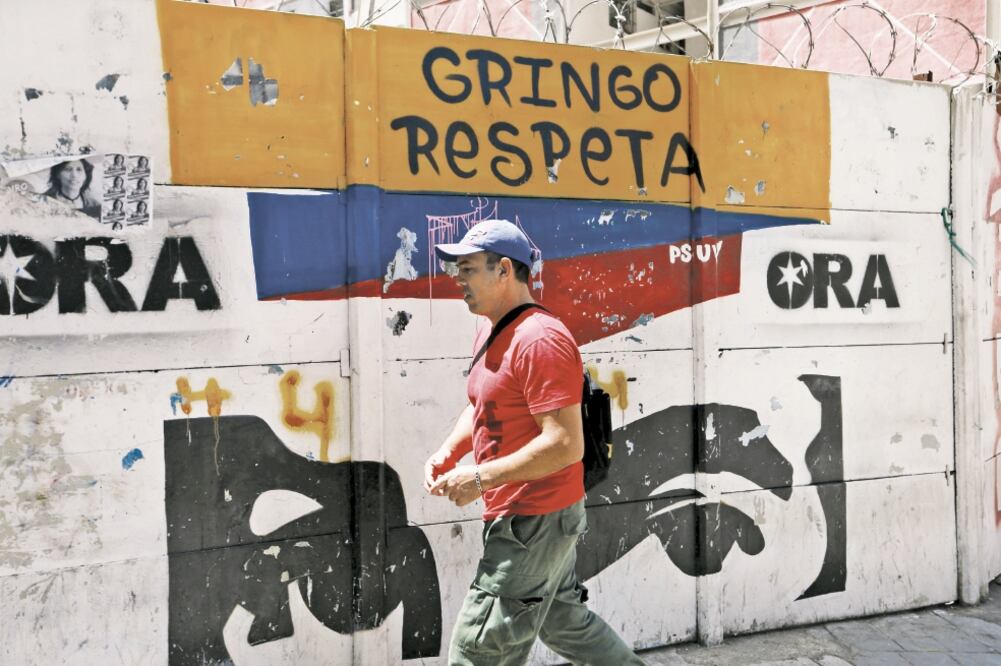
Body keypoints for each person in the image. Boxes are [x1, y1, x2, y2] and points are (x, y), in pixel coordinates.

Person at [426, 219, 645, 666]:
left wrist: (480, 478)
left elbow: (565, 444)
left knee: (479, 649)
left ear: (504, 270)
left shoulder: (539, 339)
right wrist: (450, 451)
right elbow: (483, 405)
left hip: (534, 518)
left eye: (468, 269)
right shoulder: (492, 329)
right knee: (562, 621)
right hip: (531, 514)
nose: (458, 280)